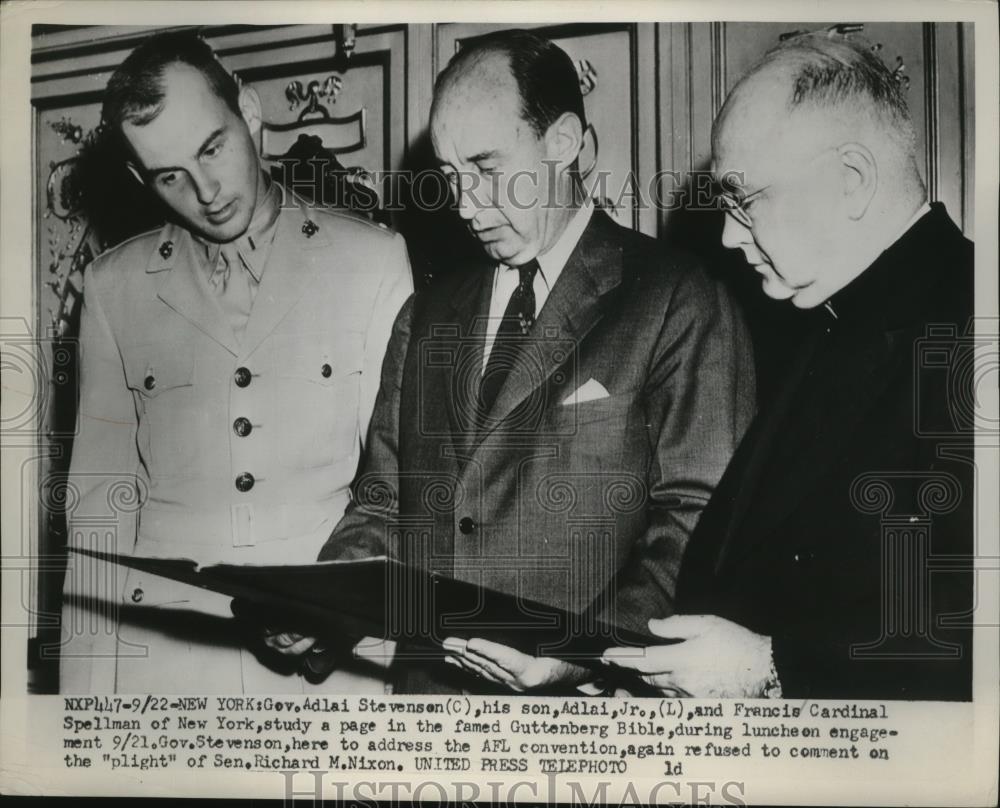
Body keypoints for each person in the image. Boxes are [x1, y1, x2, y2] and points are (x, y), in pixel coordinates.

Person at [266, 29, 756, 694]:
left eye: (487, 169)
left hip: (584, 726)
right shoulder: (427, 313)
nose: (466, 206)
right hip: (429, 715)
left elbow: (697, 524)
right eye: (450, 178)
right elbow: (383, 503)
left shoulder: (677, 299)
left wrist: (580, 650)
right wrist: (321, 605)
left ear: (561, 142)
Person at [603, 32, 974, 700]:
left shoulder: (978, 318)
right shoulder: (810, 313)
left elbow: (975, 635)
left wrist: (773, 667)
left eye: (744, 201)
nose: (728, 235)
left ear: (851, 180)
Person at [60, 31, 413, 693]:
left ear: (251, 115)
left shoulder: (371, 261)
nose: (205, 190)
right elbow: (98, 509)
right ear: (140, 178)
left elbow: (397, 488)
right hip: (166, 665)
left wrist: (340, 611)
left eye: (213, 148)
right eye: (170, 176)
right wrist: (81, 706)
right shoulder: (113, 287)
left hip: (329, 667)